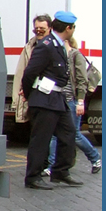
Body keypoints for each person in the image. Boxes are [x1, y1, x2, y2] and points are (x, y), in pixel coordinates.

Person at [21, 10, 81, 190]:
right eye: (73, 28)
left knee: (68, 134)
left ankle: (60, 171)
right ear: (68, 28)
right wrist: (32, 96)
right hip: (44, 99)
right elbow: (29, 73)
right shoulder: (46, 45)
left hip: (57, 99)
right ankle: (33, 177)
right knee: (41, 140)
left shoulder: (58, 44)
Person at [45, 25, 101, 175]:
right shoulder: (57, 55)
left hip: (72, 101)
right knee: (55, 134)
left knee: (74, 134)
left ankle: (95, 158)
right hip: (58, 99)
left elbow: (82, 80)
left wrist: (80, 102)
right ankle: (51, 166)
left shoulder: (75, 55)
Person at [10, 14, 51, 125]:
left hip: (49, 97)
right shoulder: (29, 47)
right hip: (33, 96)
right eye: (36, 29)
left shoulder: (54, 47)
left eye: (42, 29)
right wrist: (17, 99)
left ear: (50, 29)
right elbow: (20, 73)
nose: (38, 31)